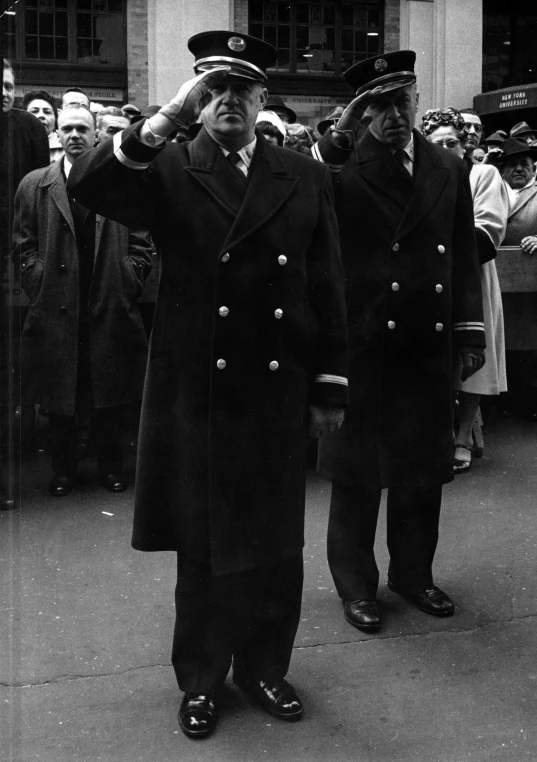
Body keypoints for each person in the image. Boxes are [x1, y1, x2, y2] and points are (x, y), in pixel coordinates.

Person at [67, 31, 348, 739]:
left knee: (275, 544)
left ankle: (264, 669)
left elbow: (326, 284)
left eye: (240, 90)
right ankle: (200, 679)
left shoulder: (301, 173)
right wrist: (163, 118)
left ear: (261, 100)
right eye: (212, 90)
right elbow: (90, 184)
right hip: (197, 390)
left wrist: (329, 384)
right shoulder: (167, 166)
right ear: (197, 99)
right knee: (204, 546)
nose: (227, 102)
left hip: (276, 389)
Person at [312, 50, 485, 633]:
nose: (393, 115)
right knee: (358, 474)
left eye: (401, 101)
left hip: (425, 343)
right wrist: (339, 135)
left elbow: (463, 252)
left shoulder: (445, 166)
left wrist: (468, 330)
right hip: (363, 343)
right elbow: (305, 183)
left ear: (416, 99)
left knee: (421, 469)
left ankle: (413, 575)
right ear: (362, 112)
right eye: (379, 105)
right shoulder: (342, 167)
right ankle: (356, 586)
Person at [12, 104, 152, 498]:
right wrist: (37, 280)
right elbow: (23, 244)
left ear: (96, 136)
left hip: (108, 299)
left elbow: (143, 241)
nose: (75, 136)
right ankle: (63, 469)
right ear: (57, 135)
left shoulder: (121, 183)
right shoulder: (34, 185)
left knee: (109, 390)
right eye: (67, 129)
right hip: (57, 302)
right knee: (62, 395)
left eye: (83, 129)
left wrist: (129, 276)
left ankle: (111, 467)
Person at [420, 107, 508, 474]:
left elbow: (488, 232)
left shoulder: (482, 174)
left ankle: (462, 440)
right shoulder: (421, 178)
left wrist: (437, 245)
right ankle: (440, 433)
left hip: (473, 276)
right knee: (437, 357)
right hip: (430, 280)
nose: (446, 148)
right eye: (437, 143)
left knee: (472, 359)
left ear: (464, 144)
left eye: (452, 142)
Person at [1, 59, 49, 510]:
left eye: (10, 85)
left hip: (14, 263)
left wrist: (29, 269)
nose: (5, 92)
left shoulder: (30, 130)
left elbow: (38, 197)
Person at [499, 137, 537, 419]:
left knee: (528, 344)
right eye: (512, 165)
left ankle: (526, 404)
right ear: (502, 170)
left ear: (534, 169)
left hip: (528, 283)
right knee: (501, 342)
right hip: (498, 278)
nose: (519, 169)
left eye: (524, 164)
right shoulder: (493, 192)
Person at [22, 89, 63, 162]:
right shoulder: (14, 144)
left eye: (47, 112)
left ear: (55, 119)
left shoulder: (64, 146)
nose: (41, 115)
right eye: (34, 111)